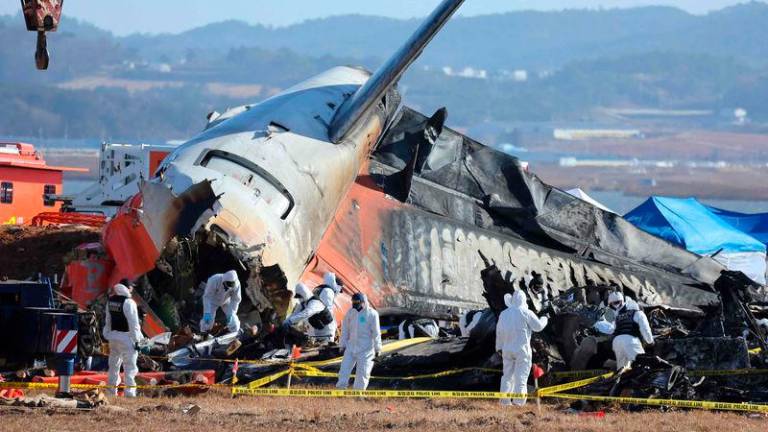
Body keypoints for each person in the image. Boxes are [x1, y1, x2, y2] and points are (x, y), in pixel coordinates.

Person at [496, 290, 549, 406]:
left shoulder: (504, 314)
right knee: (521, 378)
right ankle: (518, 403)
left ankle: (504, 403)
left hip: (507, 349)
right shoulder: (526, 312)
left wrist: (499, 347)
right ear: (524, 300)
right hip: (522, 351)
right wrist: (545, 318)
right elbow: (538, 327)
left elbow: (499, 332)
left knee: (507, 376)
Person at [103, 282, 146, 397]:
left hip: (113, 338)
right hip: (127, 338)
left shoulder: (110, 301)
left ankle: (111, 393)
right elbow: (134, 325)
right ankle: (130, 394)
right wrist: (138, 341)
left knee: (113, 366)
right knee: (130, 368)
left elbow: (108, 321)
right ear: (128, 288)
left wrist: (107, 335)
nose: (132, 290)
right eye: (131, 287)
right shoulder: (129, 302)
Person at [594, 291, 654, 370]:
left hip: (617, 342)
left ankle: (621, 379)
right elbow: (646, 329)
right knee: (642, 364)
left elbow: (611, 330)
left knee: (623, 369)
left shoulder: (618, 318)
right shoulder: (638, 313)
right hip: (631, 340)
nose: (615, 306)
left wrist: (596, 323)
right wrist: (650, 341)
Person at [336, 293, 382, 391]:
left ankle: (358, 394)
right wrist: (342, 345)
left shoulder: (372, 314)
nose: (355, 306)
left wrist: (378, 348)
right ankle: (340, 391)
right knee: (343, 371)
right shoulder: (350, 312)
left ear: (363, 302)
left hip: (366, 350)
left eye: (357, 303)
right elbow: (345, 330)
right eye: (353, 303)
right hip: (351, 347)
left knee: (363, 373)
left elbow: (376, 333)